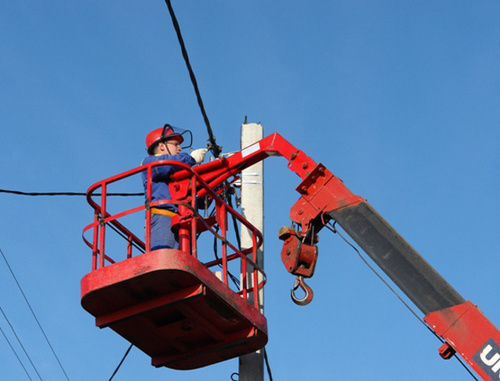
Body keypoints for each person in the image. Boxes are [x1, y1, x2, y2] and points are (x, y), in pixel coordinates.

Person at [141, 124, 208, 250]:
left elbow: (197, 199)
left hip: (185, 224)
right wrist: (191, 158)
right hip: (164, 219)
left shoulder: (178, 170)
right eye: (175, 144)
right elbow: (167, 165)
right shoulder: (150, 162)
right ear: (161, 146)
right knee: (164, 260)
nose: (180, 148)